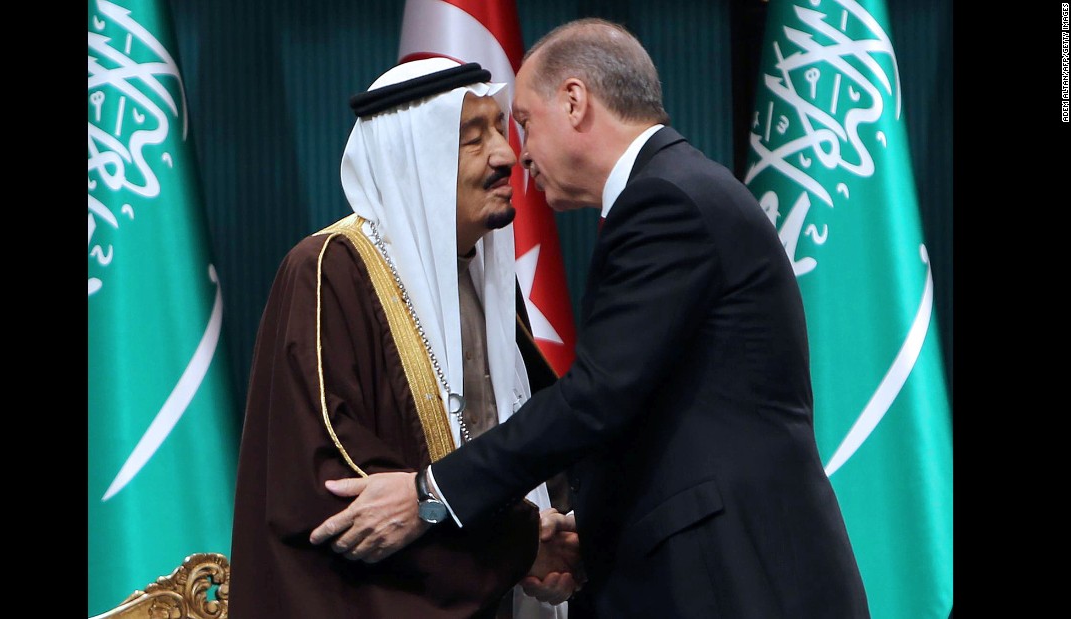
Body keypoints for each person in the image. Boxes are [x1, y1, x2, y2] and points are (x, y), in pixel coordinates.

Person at [309, 18, 873, 618]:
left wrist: (429, 493)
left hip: (733, 578)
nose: (515, 155)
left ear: (574, 102)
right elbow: (649, 416)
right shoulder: (678, 188)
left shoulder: (666, 201)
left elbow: (596, 399)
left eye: (523, 123)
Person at [229, 57, 579, 619]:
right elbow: (339, 490)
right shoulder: (328, 270)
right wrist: (521, 544)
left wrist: (561, 537)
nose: (506, 156)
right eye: (473, 138)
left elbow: (531, 431)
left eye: (500, 130)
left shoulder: (487, 272)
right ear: (414, 160)